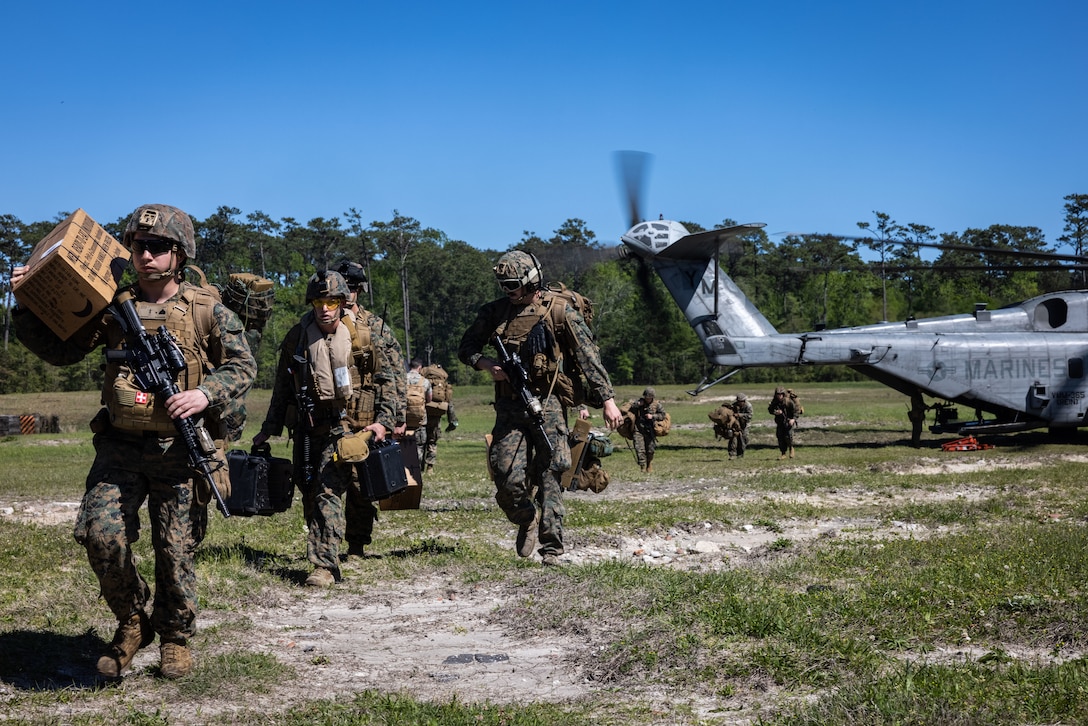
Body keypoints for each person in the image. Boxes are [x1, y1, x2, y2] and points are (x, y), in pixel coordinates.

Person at [13, 203, 257, 679]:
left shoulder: (207, 310)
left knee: (176, 550)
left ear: (180, 255)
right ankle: (131, 624)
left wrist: (204, 393)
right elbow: (60, 350)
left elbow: (243, 366)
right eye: (139, 246)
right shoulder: (110, 305)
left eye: (159, 247)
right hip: (121, 446)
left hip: (181, 451)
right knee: (100, 533)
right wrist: (27, 302)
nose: (146, 255)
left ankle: (174, 636)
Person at [458, 250, 622, 566]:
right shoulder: (494, 313)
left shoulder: (560, 312)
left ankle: (552, 550)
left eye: (514, 286)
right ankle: (525, 517)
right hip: (509, 406)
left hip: (548, 403)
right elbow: (467, 347)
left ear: (532, 281)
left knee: (552, 473)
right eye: (504, 286)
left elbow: (589, 358)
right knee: (506, 476)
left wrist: (608, 402)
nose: (509, 292)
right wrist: (486, 364)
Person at [254, 270, 403, 585]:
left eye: (332, 301)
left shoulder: (363, 335)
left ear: (342, 302)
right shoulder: (297, 336)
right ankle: (325, 547)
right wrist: (269, 428)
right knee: (308, 490)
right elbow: (283, 386)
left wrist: (384, 421)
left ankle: (325, 565)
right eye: (320, 301)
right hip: (309, 427)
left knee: (328, 489)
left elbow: (387, 381)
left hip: (347, 427)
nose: (325, 308)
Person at [420, 362, 459, 473]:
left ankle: (419, 466)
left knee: (421, 441)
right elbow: (449, 402)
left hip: (423, 413)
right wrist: (453, 421)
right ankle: (430, 468)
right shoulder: (443, 384)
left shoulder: (422, 381)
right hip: (436, 414)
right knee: (432, 441)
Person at [628, 387, 667, 472]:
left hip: (650, 430)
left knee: (650, 449)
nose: (647, 399)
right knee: (639, 448)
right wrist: (638, 405)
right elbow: (630, 409)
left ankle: (649, 464)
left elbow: (663, 415)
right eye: (646, 397)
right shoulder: (640, 402)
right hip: (638, 429)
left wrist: (653, 416)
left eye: (649, 397)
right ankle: (642, 466)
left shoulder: (657, 405)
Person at [768, 386, 800, 459]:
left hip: (789, 421)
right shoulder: (775, 401)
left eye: (781, 394)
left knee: (788, 436)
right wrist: (776, 412)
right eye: (778, 394)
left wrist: (793, 419)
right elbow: (770, 410)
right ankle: (783, 453)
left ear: (783, 394)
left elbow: (796, 411)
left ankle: (791, 448)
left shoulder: (788, 401)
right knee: (780, 437)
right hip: (780, 421)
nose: (779, 396)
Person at [730, 393, 753, 459]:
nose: (740, 403)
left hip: (745, 424)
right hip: (736, 424)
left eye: (741, 401)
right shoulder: (734, 405)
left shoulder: (748, 406)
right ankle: (732, 454)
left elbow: (750, 415)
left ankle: (740, 453)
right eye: (738, 401)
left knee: (744, 438)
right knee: (733, 438)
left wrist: (740, 415)